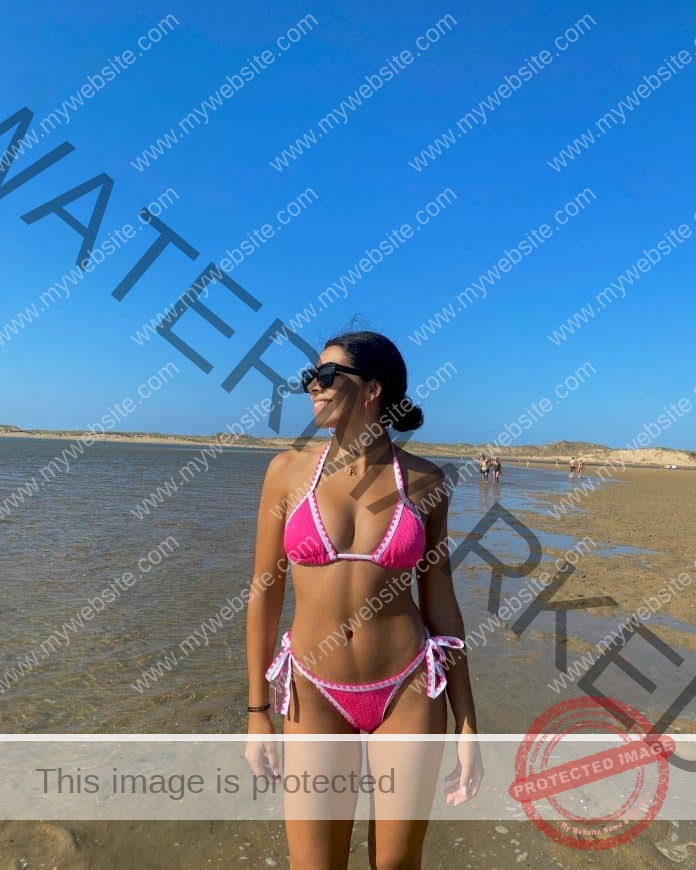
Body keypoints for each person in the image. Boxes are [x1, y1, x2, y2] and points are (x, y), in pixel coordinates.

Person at [245, 331, 482, 868]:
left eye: (328, 376)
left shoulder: (426, 482)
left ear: (371, 388)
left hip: (409, 690)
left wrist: (467, 722)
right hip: (313, 690)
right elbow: (263, 598)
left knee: (397, 865)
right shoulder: (286, 473)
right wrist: (257, 713)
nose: (313, 386)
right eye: (311, 376)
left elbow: (441, 605)